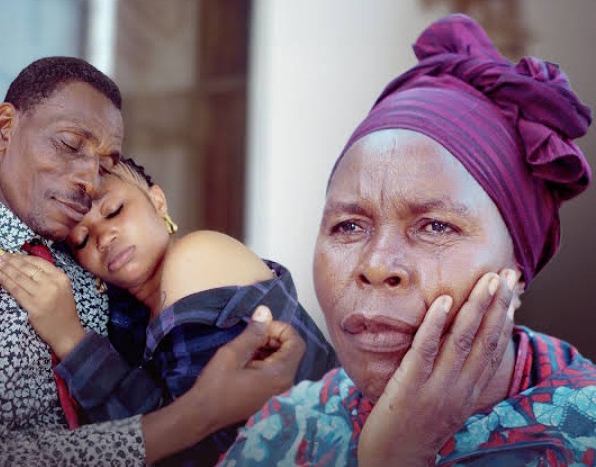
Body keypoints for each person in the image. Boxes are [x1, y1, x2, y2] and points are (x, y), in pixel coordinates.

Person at [0, 56, 306, 466]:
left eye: (105, 164)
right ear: (5, 127)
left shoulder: (90, 259)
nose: (88, 179)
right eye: (68, 145)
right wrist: (196, 414)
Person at [219, 14, 596, 466]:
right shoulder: (282, 435)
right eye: (349, 226)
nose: (377, 264)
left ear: (517, 267)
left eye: (435, 226)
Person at [0, 152, 337, 465]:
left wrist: (71, 339)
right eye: (83, 240)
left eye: (114, 210)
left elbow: (196, 444)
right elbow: (163, 428)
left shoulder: (196, 257)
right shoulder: (127, 317)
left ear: (159, 202)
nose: (104, 237)